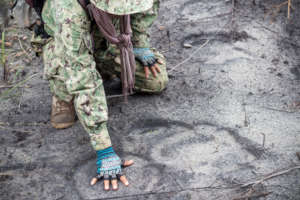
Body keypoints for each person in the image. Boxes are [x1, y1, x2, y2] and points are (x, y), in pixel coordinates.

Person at [27, 0, 168, 191]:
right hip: (67, 44)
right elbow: (84, 81)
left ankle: (101, 64)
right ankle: (62, 91)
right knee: (70, 86)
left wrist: (138, 43)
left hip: (106, 38)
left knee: (155, 81)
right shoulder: (68, 11)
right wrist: (104, 149)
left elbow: (146, 9)